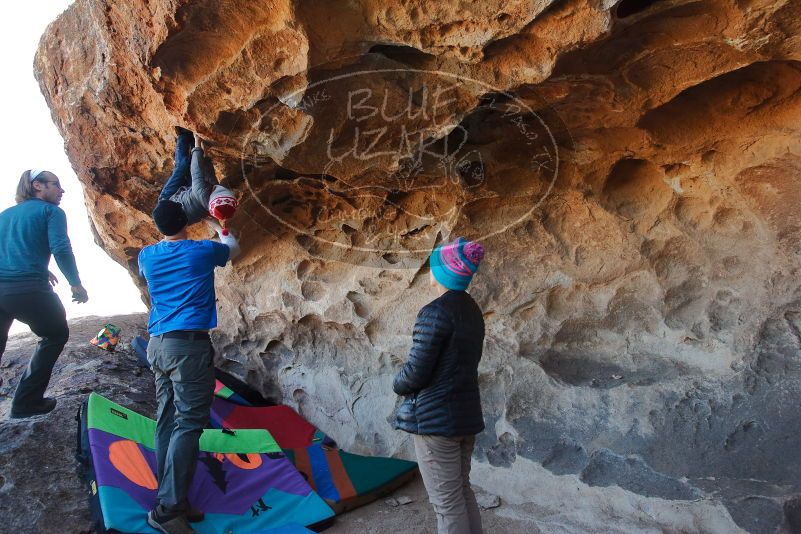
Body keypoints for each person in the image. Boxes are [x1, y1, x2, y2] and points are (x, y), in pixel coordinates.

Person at [138, 198, 240, 534]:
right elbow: (231, 247)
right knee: (188, 424)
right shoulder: (198, 251)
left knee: (167, 418)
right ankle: (168, 509)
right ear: (185, 221)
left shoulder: (147, 256)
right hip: (187, 348)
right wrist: (218, 223)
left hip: (158, 345)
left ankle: (171, 497)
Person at [393, 237, 486, 534]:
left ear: (441, 273)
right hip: (465, 416)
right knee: (461, 490)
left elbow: (415, 374)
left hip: (435, 422)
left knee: (447, 504)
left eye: (433, 265)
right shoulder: (472, 311)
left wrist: (397, 382)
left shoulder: (434, 313)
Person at [0, 169, 88, 419]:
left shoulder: (5, 215)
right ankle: (25, 403)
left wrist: (41, 267)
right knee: (55, 334)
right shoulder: (51, 212)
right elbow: (60, 247)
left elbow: (13, 248)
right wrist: (75, 283)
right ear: (37, 185)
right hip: (27, 288)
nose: (62, 190)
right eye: (56, 184)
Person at [158, 128, 238, 230]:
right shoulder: (215, 199)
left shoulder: (202, 192)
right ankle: (191, 142)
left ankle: (183, 136)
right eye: (222, 190)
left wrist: (197, 141)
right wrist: (206, 155)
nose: (217, 188)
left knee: (183, 166)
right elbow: (209, 175)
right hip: (188, 195)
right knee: (194, 163)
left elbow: (196, 169)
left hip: (168, 200)